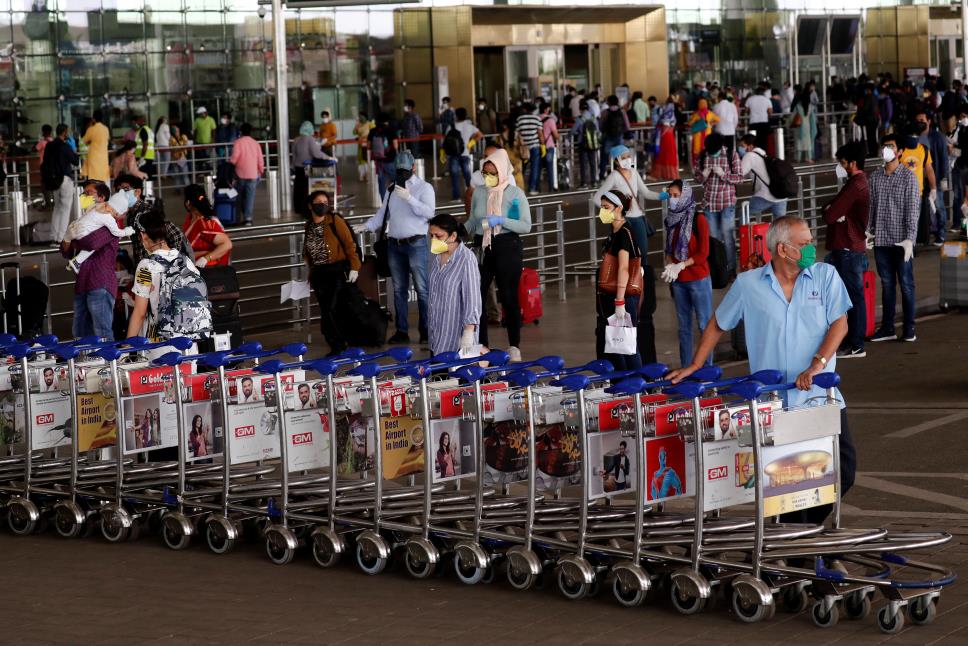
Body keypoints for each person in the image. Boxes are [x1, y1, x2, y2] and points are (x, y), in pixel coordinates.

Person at [669, 215, 856, 525]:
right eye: (804, 244)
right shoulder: (749, 284)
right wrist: (696, 364)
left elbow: (840, 323)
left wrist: (817, 363)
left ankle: (805, 529)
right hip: (774, 404)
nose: (811, 248)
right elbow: (718, 323)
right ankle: (795, 551)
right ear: (783, 249)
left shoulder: (825, 276)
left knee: (844, 470)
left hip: (820, 396)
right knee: (784, 482)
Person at [358, 150, 434, 345]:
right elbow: (382, 215)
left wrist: (409, 198)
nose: (402, 173)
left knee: (422, 289)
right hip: (394, 245)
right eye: (399, 170)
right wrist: (365, 226)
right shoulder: (391, 190)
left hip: (416, 243)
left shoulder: (424, 188)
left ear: (414, 168)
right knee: (399, 290)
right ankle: (402, 331)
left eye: (405, 170)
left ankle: (426, 330)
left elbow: (429, 213)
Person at [467, 149, 531, 362]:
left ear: (502, 172)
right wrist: (454, 232)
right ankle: (482, 344)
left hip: (507, 246)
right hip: (483, 245)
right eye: (485, 173)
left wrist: (500, 220)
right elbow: (473, 221)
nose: (487, 177)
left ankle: (514, 345)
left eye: (492, 173)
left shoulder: (515, 194)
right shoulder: (479, 192)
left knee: (508, 297)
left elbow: (525, 225)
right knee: (478, 296)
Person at [127, 207, 213, 348]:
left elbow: (140, 312)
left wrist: (127, 347)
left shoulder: (146, 266)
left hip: (159, 342)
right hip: (189, 341)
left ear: (143, 235)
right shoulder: (186, 261)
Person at [868, 134, 920, 343]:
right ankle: (888, 328)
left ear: (899, 152)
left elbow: (913, 210)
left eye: (891, 146)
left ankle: (909, 328)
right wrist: (868, 231)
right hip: (881, 240)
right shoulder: (875, 177)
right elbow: (871, 207)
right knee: (887, 284)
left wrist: (910, 239)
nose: (886, 150)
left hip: (902, 242)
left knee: (906, 283)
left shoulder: (909, 178)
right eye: (884, 147)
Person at [823, 142, 870, 359]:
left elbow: (830, 214)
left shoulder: (855, 185)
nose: (840, 166)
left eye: (842, 162)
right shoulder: (858, 182)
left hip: (847, 246)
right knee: (853, 296)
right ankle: (853, 342)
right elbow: (831, 208)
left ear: (852, 163)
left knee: (851, 298)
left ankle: (856, 343)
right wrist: (832, 210)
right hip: (851, 246)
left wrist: (832, 212)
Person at [661, 180, 713, 368]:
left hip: (698, 279)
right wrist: (670, 266)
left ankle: (707, 370)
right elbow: (669, 249)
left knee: (704, 326)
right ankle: (686, 369)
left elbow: (703, 253)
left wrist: (682, 265)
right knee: (683, 328)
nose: (673, 200)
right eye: (670, 196)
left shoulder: (699, 219)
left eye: (676, 196)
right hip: (678, 281)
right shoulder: (671, 219)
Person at [303, 190, 360, 356]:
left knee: (332, 308)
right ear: (310, 205)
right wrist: (310, 274)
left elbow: (350, 244)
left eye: (325, 202)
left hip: (335, 271)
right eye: (318, 201)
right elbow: (308, 252)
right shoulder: (308, 226)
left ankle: (338, 343)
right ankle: (335, 341)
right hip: (319, 274)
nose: (322, 204)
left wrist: (355, 267)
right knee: (325, 308)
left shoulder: (335, 221)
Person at [593, 190, 642, 372]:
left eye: (606, 208)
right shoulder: (614, 232)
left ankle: (637, 389)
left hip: (622, 298)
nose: (602, 212)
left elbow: (623, 267)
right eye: (602, 207)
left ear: (619, 208)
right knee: (616, 347)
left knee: (628, 347)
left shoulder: (624, 232)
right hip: (611, 297)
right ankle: (623, 388)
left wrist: (620, 301)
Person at [60, 198, 119, 341]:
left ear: (102, 200)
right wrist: (68, 238)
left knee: (102, 331)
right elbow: (65, 251)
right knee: (80, 332)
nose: (85, 197)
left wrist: (73, 237)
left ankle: (109, 362)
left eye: (90, 193)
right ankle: (84, 363)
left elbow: (92, 243)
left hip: (101, 283)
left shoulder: (110, 225)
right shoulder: (84, 224)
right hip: (82, 284)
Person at [594, 144, 664, 256]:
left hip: (639, 218)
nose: (627, 159)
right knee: (625, 255)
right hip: (623, 221)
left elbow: (646, 192)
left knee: (643, 252)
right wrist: (613, 215)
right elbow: (597, 198)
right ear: (616, 161)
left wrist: (661, 196)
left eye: (628, 156)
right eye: (623, 157)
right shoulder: (614, 176)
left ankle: (642, 273)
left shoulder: (634, 172)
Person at [427, 213, 481, 357]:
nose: (433, 240)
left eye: (438, 236)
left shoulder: (466, 259)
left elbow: (473, 298)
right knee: (438, 378)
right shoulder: (436, 256)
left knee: (457, 378)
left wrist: (469, 332)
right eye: (431, 236)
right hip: (437, 337)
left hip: (458, 341)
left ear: (452, 236)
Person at [694, 133, 743, 275]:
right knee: (713, 239)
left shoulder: (731, 155)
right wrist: (703, 175)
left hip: (727, 202)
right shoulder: (703, 155)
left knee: (728, 238)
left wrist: (723, 175)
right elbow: (698, 178)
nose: (712, 153)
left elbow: (740, 178)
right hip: (709, 203)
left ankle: (731, 269)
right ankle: (717, 270)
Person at [63, 181, 134, 273]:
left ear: (102, 198)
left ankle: (76, 262)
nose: (83, 196)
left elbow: (91, 244)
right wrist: (126, 231)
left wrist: (68, 239)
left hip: (98, 279)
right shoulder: (98, 213)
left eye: (88, 193)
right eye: (83, 193)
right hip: (84, 279)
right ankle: (76, 262)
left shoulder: (98, 212)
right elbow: (67, 250)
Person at [41, 124, 80, 244]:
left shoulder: (49, 145)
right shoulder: (65, 146)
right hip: (65, 179)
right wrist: (72, 147)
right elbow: (75, 160)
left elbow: (45, 162)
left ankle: (54, 237)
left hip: (54, 181)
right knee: (65, 209)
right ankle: (61, 238)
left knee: (57, 208)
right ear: (64, 132)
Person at [914, 110, 947, 244]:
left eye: (922, 120)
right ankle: (925, 235)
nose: (920, 123)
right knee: (922, 209)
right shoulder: (914, 137)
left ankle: (941, 234)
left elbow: (943, 158)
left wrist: (943, 178)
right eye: (917, 121)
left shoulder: (937, 137)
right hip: (919, 180)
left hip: (935, 177)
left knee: (938, 207)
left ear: (929, 121)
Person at [182, 184, 233, 268]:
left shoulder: (205, 224)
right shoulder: (190, 219)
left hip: (209, 270)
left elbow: (227, 244)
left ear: (188, 203)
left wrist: (206, 258)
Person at [738, 134, 788, 219]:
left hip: (766, 195)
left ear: (750, 146)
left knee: (744, 213)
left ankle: (746, 233)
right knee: (780, 224)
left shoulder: (749, 155)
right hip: (781, 195)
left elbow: (739, 174)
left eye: (742, 145)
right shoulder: (764, 154)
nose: (740, 148)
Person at [292, 121, 333, 217]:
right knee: (306, 189)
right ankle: (305, 211)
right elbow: (316, 154)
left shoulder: (296, 140)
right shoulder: (310, 139)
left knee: (298, 189)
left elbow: (294, 155)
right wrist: (328, 157)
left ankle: (297, 209)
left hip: (298, 167)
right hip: (307, 168)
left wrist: (293, 166)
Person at [229, 123, 265, 226]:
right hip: (253, 174)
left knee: (238, 197)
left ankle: (236, 218)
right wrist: (261, 170)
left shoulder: (238, 142)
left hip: (240, 174)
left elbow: (234, 158)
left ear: (241, 131)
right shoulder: (255, 143)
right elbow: (260, 159)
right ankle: (248, 218)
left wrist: (230, 164)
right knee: (250, 197)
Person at [447, 107, 482, 200]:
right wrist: (471, 143)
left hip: (453, 155)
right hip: (465, 153)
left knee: (455, 176)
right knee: (467, 176)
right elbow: (480, 135)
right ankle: (472, 194)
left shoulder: (451, 126)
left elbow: (446, 139)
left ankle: (456, 197)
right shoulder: (469, 126)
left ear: (456, 116)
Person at [599, 95, 630, 181]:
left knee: (604, 157)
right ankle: (622, 173)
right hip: (619, 137)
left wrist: (605, 131)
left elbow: (600, 126)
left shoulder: (605, 112)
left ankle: (602, 175)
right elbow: (627, 126)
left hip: (608, 137)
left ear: (609, 102)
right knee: (620, 156)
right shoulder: (622, 112)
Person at [515, 103, 543, 195]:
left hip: (523, 148)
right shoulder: (537, 118)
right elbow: (540, 133)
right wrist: (543, 145)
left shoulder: (519, 119)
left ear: (525, 109)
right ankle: (532, 188)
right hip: (534, 146)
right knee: (534, 168)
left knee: (522, 168)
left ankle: (520, 188)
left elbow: (517, 133)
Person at [369, 113, 398, 197]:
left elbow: (368, 146)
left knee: (382, 183)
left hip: (378, 161)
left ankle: (385, 204)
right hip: (390, 160)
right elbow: (395, 146)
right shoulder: (391, 130)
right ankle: (398, 201)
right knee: (397, 179)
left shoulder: (373, 131)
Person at [572, 100, 599, 188]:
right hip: (593, 143)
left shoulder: (580, 119)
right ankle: (594, 182)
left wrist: (573, 135)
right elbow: (598, 131)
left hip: (582, 143)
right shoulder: (593, 118)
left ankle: (584, 183)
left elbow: (573, 131)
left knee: (584, 163)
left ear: (580, 109)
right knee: (593, 163)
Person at [652, 95, 679, 180]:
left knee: (662, 154)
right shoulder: (672, 111)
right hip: (670, 135)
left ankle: (662, 173)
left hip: (663, 136)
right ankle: (670, 174)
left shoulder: (664, 110)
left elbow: (660, 123)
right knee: (670, 154)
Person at [81, 110, 110, 183]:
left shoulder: (91, 129)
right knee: (103, 181)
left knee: (94, 181)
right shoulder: (105, 129)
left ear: (93, 119)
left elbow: (84, 140)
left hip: (94, 159)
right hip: (104, 158)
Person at [539, 102, 560, 192]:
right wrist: (558, 137)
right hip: (549, 146)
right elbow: (555, 135)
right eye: (549, 108)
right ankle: (551, 187)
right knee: (550, 168)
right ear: (546, 109)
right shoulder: (551, 120)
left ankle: (537, 188)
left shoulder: (537, 118)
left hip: (539, 146)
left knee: (538, 168)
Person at [746, 85, 773, 151]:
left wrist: (752, 112)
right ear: (763, 92)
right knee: (763, 141)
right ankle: (763, 154)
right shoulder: (767, 99)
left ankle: (754, 154)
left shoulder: (750, 99)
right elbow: (770, 112)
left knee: (753, 141)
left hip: (753, 123)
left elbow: (746, 110)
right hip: (764, 123)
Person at [713, 92, 739, 157]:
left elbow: (714, 119)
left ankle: (722, 164)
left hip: (719, 131)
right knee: (730, 150)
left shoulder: (716, 106)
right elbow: (736, 119)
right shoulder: (732, 105)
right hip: (730, 131)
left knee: (721, 151)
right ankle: (730, 164)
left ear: (719, 98)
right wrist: (733, 128)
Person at [792, 93, 816, 163]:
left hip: (799, 126)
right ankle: (808, 158)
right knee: (808, 142)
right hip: (807, 126)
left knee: (799, 142)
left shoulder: (798, 106)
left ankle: (798, 158)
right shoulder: (810, 107)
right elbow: (813, 118)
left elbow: (793, 116)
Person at [192, 107, 217, 171]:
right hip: (199, 141)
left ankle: (208, 168)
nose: (200, 115)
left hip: (208, 142)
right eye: (199, 114)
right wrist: (194, 140)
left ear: (205, 113)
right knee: (200, 156)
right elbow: (195, 130)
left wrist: (213, 139)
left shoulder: (211, 120)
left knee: (207, 156)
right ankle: (200, 169)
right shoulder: (197, 120)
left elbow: (213, 130)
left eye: (201, 113)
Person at [353, 112, 372, 182]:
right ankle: (362, 175)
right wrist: (356, 126)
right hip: (360, 146)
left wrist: (366, 137)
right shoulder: (359, 124)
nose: (360, 118)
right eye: (359, 116)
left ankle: (367, 175)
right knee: (361, 160)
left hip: (367, 145)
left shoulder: (370, 124)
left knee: (367, 160)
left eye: (362, 116)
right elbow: (354, 132)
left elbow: (373, 132)